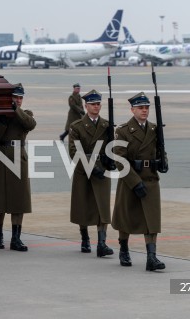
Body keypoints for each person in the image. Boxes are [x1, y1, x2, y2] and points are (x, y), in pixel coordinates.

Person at [112, 92, 167, 271]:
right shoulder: (123, 131)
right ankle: (124, 249)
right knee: (127, 218)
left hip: (150, 178)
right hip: (131, 179)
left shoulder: (154, 129)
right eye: (141, 108)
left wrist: (164, 162)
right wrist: (135, 183)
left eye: (147, 107)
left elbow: (160, 150)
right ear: (132, 109)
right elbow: (119, 159)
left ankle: (152, 257)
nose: (144, 111)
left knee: (152, 220)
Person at [0, 83, 36, 251]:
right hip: (0, 154)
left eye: (20, 98)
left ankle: (16, 238)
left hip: (17, 156)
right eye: (15, 98)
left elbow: (30, 124)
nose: (18, 100)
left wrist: (15, 110)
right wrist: (2, 120)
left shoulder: (25, 113)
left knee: (18, 199)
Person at [68, 89, 114, 257]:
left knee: (103, 207)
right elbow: (74, 152)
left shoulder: (107, 126)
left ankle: (102, 243)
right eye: (93, 104)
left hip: (102, 168)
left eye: (98, 104)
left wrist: (112, 160)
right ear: (86, 106)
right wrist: (91, 168)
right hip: (84, 170)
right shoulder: (77, 127)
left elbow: (112, 147)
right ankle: (85, 238)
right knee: (84, 206)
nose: (96, 107)